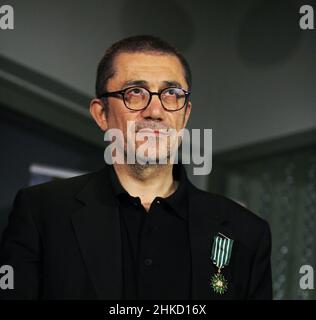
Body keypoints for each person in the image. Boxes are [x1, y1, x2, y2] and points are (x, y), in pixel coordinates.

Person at [0, 35, 272, 300]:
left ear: (185, 114)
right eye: (135, 92)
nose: (155, 111)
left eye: (172, 93)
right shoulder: (41, 213)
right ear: (101, 114)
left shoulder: (246, 232)